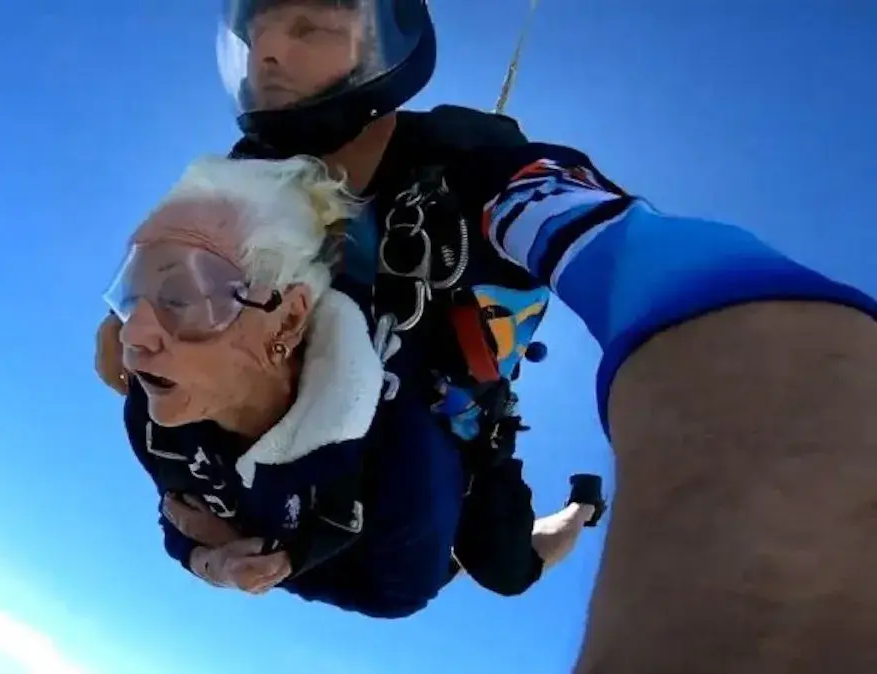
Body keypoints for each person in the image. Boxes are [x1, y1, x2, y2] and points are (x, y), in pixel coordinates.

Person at [101, 2, 877, 671]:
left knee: (506, 568)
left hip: (454, 412)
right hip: (322, 410)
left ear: (381, 43)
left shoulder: (483, 171)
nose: (270, 50)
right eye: (259, 30)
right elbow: (124, 340)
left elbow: (636, 252)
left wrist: (778, 381)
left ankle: (574, 515)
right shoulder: (237, 179)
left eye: (311, 26)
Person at [109, 154, 600, 618]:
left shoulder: (401, 470)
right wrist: (212, 562)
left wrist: (268, 563)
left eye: (182, 296)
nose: (133, 334)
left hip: (433, 496)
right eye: (132, 295)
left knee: (506, 570)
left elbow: (393, 597)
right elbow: (181, 515)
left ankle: (582, 506)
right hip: (351, 526)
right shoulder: (155, 410)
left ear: (288, 320)